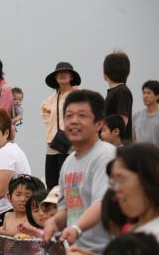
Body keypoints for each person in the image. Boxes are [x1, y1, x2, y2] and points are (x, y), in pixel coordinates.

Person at [43, 90, 116, 254]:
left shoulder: (106, 155)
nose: (73, 121)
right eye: (68, 116)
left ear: (99, 124)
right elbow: (66, 209)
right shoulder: (68, 163)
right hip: (76, 250)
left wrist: (77, 228)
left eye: (82, 115)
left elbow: (103, 202)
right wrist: (54, 222)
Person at [41, 62, 80, 190]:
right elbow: (44, 114)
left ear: (72, 77)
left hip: (70, 143)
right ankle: (54, 209)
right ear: (55, 77)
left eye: (66, 72)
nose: (62, 75)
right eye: (59, 73)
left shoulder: (77, 94)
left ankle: (70, 209)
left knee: (68, 181)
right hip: (53, 142)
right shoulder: (50, 99)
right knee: (51, 183)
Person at [108, 143, 159, 241]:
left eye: (121, 179)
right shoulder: (136, 231)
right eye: (113, 181)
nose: (116, 188)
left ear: (147, 178)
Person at [103, 51, 133, 141]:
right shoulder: (116, 91)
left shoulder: (122, 91)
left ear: (107, 70)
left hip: (119, 146)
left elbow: (122, 121)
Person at [133, 80, 159, 145]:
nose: (145, 96)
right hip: (138, 154)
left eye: (148, 93)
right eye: (144, 93)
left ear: (157, 96)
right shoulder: (136, 116)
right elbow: (133, 138)